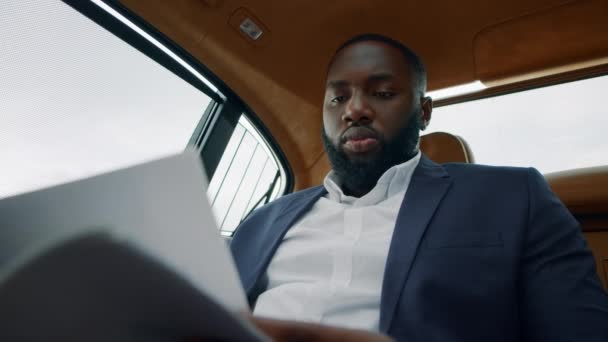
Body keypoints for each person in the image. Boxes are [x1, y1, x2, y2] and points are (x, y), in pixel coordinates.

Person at [231, 33, 608, 341]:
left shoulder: (514, 196)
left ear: (423, 113)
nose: (355, 110)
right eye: (339, 97)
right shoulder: (262, 221)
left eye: (381, 93)